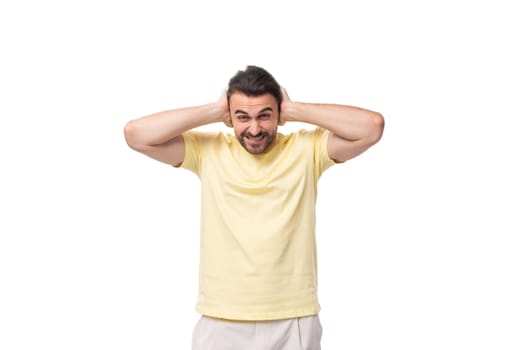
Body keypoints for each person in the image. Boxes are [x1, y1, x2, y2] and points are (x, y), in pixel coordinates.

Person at [124, 65, 384, 350]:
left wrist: (295, 109)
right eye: (243, 117)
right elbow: (136, 135)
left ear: (278, 115)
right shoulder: (208, 150)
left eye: (265, 115)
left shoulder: (306, 149)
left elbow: (371, 128)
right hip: (221, 317)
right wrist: (214, 110)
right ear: (230, 117)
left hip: (292, 315)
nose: (255, 128)